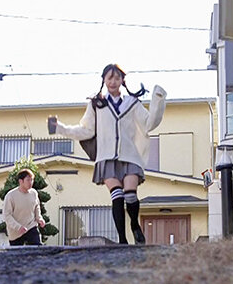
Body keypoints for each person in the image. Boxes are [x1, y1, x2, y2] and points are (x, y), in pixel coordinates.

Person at [50, 63, 166, 244]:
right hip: (107, 158)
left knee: (130, 195)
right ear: (104, 79)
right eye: (109, 77)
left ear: (122, 80)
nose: (113, 81)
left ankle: (135, 225)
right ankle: (122, 239)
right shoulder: (97, 104)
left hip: (130, 157)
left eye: (117, 78)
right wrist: (60, 128)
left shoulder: (132, 103)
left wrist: (158, 99)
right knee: (117, 195)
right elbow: (86, 130)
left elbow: (149, 123)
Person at [2, 169, 46, 246]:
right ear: (21, 181)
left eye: (32, 180)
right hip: (16, 231)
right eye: (28, 180)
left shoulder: (34, 193)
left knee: (37, 248)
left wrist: (39, 218)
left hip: (31, 226)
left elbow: (36, 207)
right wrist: (18, 227)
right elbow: (7, 215)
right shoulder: (10, 196)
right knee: (16, 255)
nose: (31, 182)